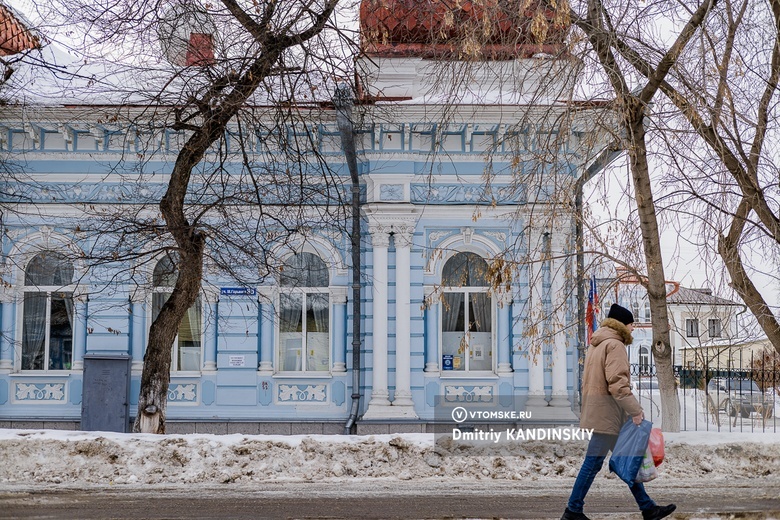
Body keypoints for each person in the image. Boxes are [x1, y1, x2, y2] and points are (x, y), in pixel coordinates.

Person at [561, 303, 676, 520]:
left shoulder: (597, 343)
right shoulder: (615, 345)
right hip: (608, 415)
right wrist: (635, 411)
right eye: (631, 324)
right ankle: (572, 510)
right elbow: (617, 384)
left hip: (603, 412)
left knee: (628, 459)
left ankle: (648, 508)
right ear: (623, 325)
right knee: (593, 463)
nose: (633, 329)